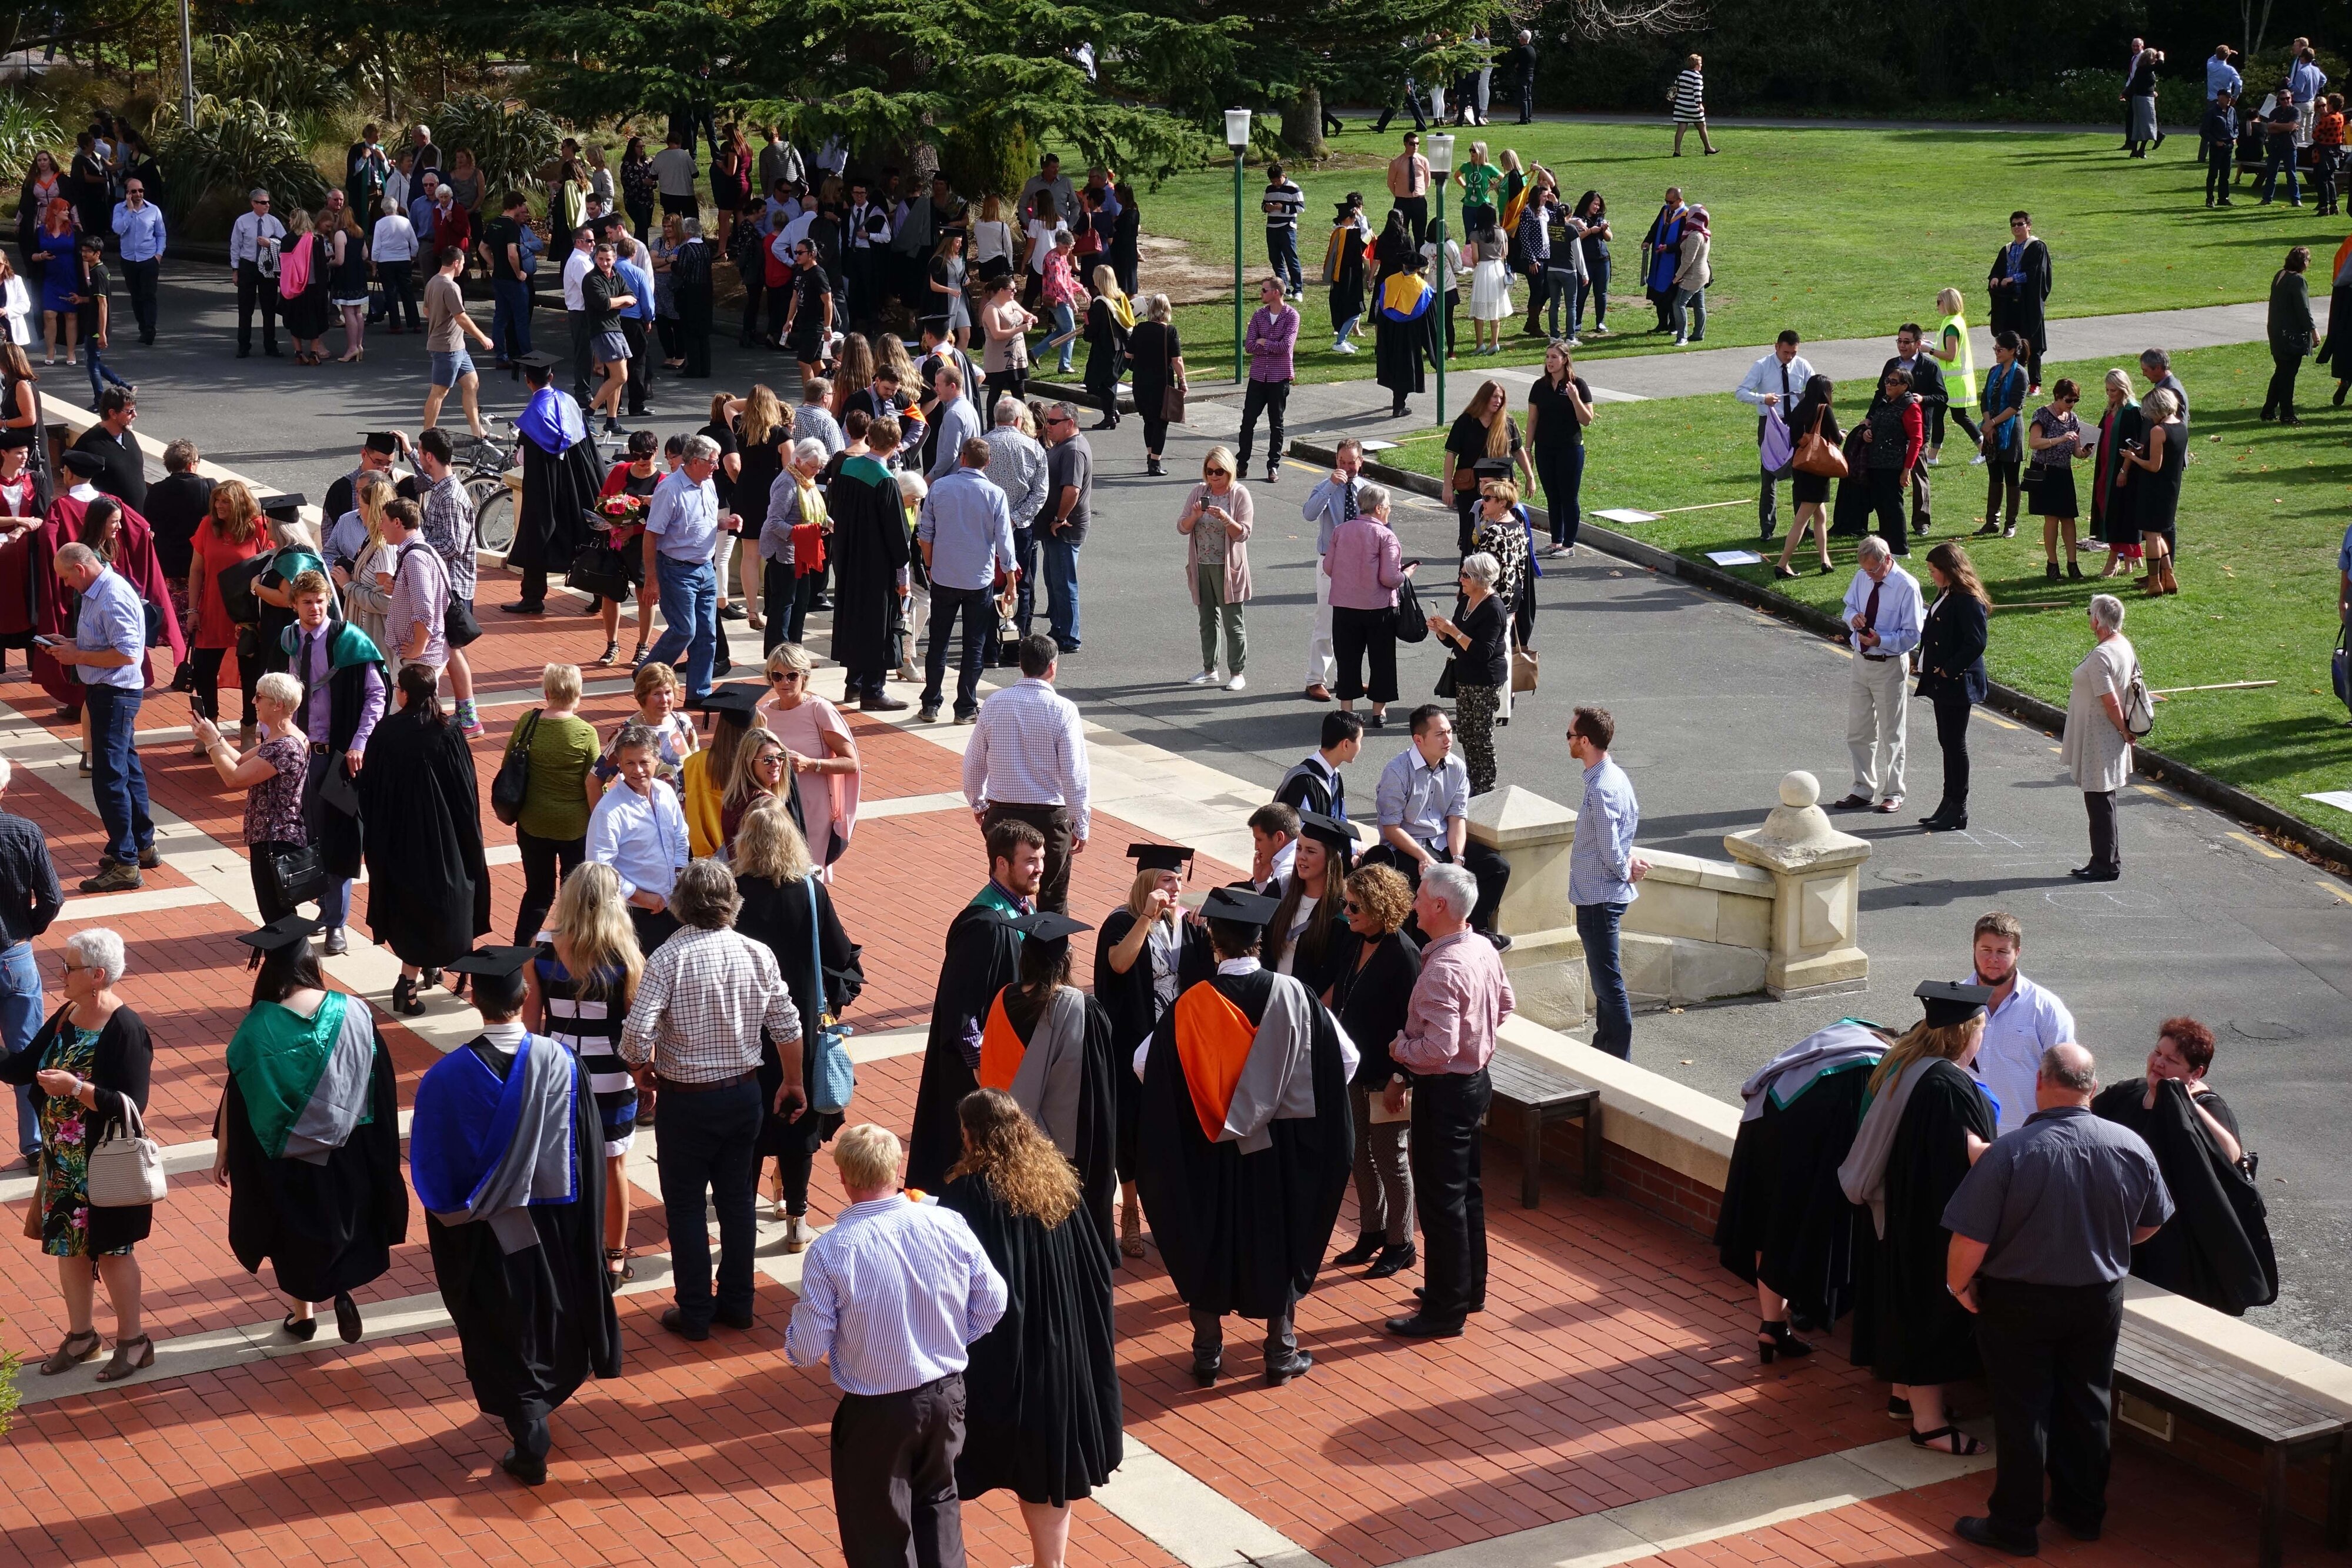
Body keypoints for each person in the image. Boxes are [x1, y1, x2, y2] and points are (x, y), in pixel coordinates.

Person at [1944, 1043, 2174, 1556]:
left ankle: (2014, 1524)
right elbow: (2153, 1220)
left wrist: (1958, 1287)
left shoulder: (2011, 1152)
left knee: (2023, 1410)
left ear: (2040, 1083)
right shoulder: (2129, 1146)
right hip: (2098, 1298)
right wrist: (2109, 1241)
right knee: (2088, 1402)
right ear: (2091, 1088)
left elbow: (1968, 1240)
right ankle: (2082, 1512)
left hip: (2019, 1301)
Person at [412, 945, 620, 1486]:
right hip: (555, 1225)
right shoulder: (562, 1064)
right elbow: (589, 1156)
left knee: (501, 1322)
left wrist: (464, 1213)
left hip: (484, 1232)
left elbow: (433, 1169)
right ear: (525, 996)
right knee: (547, 1316)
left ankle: (529, 1427)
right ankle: (536, 1412)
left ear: (475, 1002)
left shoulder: (444, 1078)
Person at [1134, 886, 1355, 1385]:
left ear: (1214, 941)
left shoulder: (1192, 1007)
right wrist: (1285, 1097)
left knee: (1207, 1240)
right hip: (1278, 1154)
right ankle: (1280, 1352)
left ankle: (1207, 1354)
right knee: (1280, 1236)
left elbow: (1143, 1064)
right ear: (1260, 941)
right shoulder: (1295, 997)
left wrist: (1208, 1092)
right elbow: (1347, 1061)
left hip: (1210, 1150)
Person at [786, 1123, 1008, 1568]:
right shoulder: (946, 1221)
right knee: (941, 1504)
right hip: (946, 1393)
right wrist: (947, 1339)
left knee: (878, 1530)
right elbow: (994, 1301)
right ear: (896, 1168)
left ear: (845, 1178)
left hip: (876, 1410)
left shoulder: (832, 1251)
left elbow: (806, 1350)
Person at [620, 858, 805, 1339]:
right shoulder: (757, 953)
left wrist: (642, 1069)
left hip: (686, 1102)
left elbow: (636, 1035)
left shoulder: (666, 957)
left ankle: (696, 1311)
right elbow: (786, 1023)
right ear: (731, 903)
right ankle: (739, 1304)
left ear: (682, 905)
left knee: (684, 1207)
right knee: (738, 1200)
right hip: (743, 1093)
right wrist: (793, 1081)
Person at [938, 1087, 1121, 1568]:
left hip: (996, 1348)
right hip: (1059, 1345)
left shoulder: (967, 1195)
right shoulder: (1059, 1185)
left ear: (973, 1134)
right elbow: (1094, 1270)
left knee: (948, 1462)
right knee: (1045, 1459)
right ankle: (1050, 1564)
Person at [216, 915, 406, 1345]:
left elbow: (240, 1093)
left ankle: (302, 1314)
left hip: (288, 1158)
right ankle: (341, 1287)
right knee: (341, 1220)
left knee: (293, 1234)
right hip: (349, 1148)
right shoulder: (354, 1012)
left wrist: (225, 1149)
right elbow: (381, 1085)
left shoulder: (256, 1029)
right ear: (311, 963)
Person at [1837, 980, 2000, 1457]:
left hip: (1895, 1212)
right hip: (1930, 1223)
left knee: (1902, 1304)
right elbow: (1966, 1166)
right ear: (1964, 1032)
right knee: (1928, 1312)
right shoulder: (1948, 1086)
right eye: (1981, 1031)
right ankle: (1928, 1425)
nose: (1981, 1041)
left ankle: (1903, 1396)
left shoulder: (1907, 1065)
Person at [0, 926, 155, 1380]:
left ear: (97, 975)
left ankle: (134, 1341)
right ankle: (83, 1336)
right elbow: (24, 1066)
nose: (60, 974)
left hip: (102, 1163)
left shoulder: (126, 1028)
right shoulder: (69, 1013)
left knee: (112, 1253)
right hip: (64, 1163)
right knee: (69, 1248)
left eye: (68, 967)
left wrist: (76, 1089)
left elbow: (132, 1106)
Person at [1383, 858, 1514, 1340]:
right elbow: (1504, 1006)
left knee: (1441, 1202)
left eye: (1419, 896)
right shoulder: (1480, 946)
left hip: (1446, 1090)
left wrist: (1400, 1048)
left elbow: (1435, 1050)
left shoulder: (1443, 968)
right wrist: (1473, 1043)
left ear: (1438, 906)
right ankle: (1466, 1287)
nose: (1413, 903)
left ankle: (1444, 1309)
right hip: (1475, 1083)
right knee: (1467, 1193)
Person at [1718, 1017, 1886, 1362]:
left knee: (1766, 1230)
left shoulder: (1838, 1037)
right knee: (1804, 1229)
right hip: (1802, 1144)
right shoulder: (1874, 1065)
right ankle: (1801, 1308)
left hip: (1761, 1130)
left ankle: (1772, 1325)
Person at [2091, 1019, 2276, 1315]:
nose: (2158, 1063)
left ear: (2196, 1073)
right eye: (2158, 1053)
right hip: (2121, 1226)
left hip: (2172, 1238)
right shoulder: (2128, 1092)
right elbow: (2082, 1117)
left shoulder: (2208, 1106)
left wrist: (2186, 1101)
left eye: (2172, 1061)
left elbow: (2230, 1153)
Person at [972, 908, 1120, 1249]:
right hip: (1060, 1149)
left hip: (1006, 1133)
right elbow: (1095, 1090)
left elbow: (989, 1064)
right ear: (1066, 961)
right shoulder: (1081, 1009)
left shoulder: (1001, 999)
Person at [360, 664, 492, 1014]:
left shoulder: (387, 733)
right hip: (448, 838)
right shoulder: (448, 731)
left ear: (404, 693)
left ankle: (409, 980)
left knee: (409, 906)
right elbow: (466, 792)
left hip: (400, 840)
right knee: (451, 899)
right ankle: (436, 968)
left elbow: (370, 792)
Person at [50, 542, 155, 893]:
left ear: (80, 569)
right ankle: (142, 845)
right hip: (111, 694)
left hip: (115, 694)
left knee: (109, 778)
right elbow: (104, 641)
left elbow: (126, 654)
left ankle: (126, 864)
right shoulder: (101, 591)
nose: (66, 584)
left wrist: (76, 654)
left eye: (66, 577)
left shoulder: (110, 596)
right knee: (128, 767)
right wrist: (70, 644)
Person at [963, 635, 1089, 915]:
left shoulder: (995, 703)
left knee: (1004, 895)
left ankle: (1008, 952)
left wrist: (979, 804)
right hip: (1050, 819)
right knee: (1053, 900)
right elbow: (1074, 774)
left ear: (1021, 665)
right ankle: (1050, 959)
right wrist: (1080, 823)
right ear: (1053, 667)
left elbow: (973, 763)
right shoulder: (1064, 710)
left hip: (1002, 816)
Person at [192, 669, 316, 920]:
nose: (253, 702)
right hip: (272, 835)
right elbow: (239, 760)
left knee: (277, 914)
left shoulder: (283, 747)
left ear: (278, 705)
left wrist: (211, 744)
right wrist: (215, 735)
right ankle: (287, 958)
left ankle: (292, 958)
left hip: (275, 838)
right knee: (278, 911)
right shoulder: (285, 737)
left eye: (259, 697)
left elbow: (233, 778)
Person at [916, 436, 1017, 726]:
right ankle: (965, 707)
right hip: (978, 579)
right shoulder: (996, 494)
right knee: (974, 644)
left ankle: (931, 703)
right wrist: (1010, 580)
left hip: (945, 576)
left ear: (962, 458)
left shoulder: (940, 487)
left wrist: (931, 564)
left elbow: (926, 533)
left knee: (938, 642)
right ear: (988, 463)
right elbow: (1004, 542)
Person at [502, 663, 602, 944]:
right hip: (575, 828)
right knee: (576, 895)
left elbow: (508, 763)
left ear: (546, 692)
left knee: (537, 892)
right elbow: (593, 783)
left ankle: (519, 954)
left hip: (532, 823)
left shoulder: (527, 722)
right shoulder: (585, 733)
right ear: (579, 693)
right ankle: (574, 951)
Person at [502, 352, 604, 617]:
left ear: (528, 381)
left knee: (538, 535)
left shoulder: (532, 415)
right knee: (587, 533)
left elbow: (523, 458)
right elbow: (586, 443)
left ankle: (533, 598)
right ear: (551, 377)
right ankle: (601, 592)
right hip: (579, 480)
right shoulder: (569, 401)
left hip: (547, 486)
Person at [1830, 535, 1921, 816]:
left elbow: (1913, 635)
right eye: (1866, 570)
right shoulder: (1861, 577)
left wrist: (1881, 640)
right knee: (1859, 730)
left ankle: (1894, 792)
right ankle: (1862, 788)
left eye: (1874, 570)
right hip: (1860, 661)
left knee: (1892, 732)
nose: (1869, 575)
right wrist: (1853, 617)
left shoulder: (1907, 586)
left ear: (1888, 560)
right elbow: (1848, 607)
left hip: (1889, 665)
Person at [827, 415, 913, 712]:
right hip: (876, 565)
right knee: (877, 625)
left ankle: (854, 684)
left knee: (853, 618)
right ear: (895, 444)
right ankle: (874, 690)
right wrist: (903, 572)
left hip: (849, 557)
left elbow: (834, 507)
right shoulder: (885, 480)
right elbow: (897, 534)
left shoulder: (847, 467)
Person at [755, 642, 862, 872]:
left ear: (804, 677)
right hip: (775, 807)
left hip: (814, 809)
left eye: (792, 676)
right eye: (777, 675)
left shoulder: (819, 710)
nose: (784, 682)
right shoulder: (763, 714)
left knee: (808, 874)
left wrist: (811, 764)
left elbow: (851, 763)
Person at [1913, 542, 1991, 832]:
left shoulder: (1967, 599)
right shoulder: (1947, 593)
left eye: (1934, 571)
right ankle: (1948, 803)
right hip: (1941, 680)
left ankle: (1958, 806)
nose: (1931, 576)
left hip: (1957, 682)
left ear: (1949, 570)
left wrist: (1948, 668)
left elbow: (1976, 642)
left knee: (1955, 743)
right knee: (1946, 741)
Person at [2064, 595, 2139, 882]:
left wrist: (2123, 729)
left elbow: (2110, 701)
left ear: (2097, 620)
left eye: (2089, 613)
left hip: (2100, 734)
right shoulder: (2122, 645)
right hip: (2107, 733)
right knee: (2103, 799)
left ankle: (2105, 864)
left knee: (2099, 801)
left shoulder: (2101, 656)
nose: (2088, 618)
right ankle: (2105, 859)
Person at [414, 430, 483, 735]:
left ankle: (468, 716)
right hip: (450, 583)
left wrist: (419, 546)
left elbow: (453, 543)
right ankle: (465, 714)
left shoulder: (451, 497)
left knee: (451, 649)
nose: (418, 457)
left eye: (419, 452)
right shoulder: (443, 487)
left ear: (430, 456)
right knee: (454, 649)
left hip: (453, 585)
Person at [1327, 479, 1409, 729]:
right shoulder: (1386, 536)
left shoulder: (1340, 531)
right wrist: (1407, 575)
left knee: (1347, 658)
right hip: (1378, 608)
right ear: (1380, 508)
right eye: (1389, 506)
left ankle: (1347, 710)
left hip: (1344, 606)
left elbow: (1328, 567)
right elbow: (1389, 578)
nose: (1390, 510)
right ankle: (1378, 712)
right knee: (1381, 659)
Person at [1427, 552, 1509, 794]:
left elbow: (1484, 651)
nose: (1460, 579)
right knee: (1466, 733)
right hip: (1464, 675)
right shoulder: (1465, 601)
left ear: (1480, 579)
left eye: (1465, 575)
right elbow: (1454, 642)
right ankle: (1474, 783)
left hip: (1486, 679)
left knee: (1481, 736)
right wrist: (1442, 632)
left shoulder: (1494, 608)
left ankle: (1487, 788)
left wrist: (1454, 632)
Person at [1178, 446, 1254, 692]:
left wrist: (1226, 519)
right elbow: (1182, 527)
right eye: (1209, 471)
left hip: (1228, 568)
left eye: (1219, 471)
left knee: (1233, 622)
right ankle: (1210, 669)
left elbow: (1243, 534)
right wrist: (1195, 515)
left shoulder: (1239, 494)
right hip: (1202, 565)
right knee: (1207, 621)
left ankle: (1237, 672)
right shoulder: (1199, 492)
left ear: (1229, 470)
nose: (1214, 476)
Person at [1737, 332, 1815, 541]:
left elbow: (1817, 389)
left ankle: (1803, 526)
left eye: (1793, 353)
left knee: (1801, 475)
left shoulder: (1803, 365)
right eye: (1786, 352)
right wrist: (1763, 398)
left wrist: (1808, 398)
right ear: (1776, 347)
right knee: (1769, 476)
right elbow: (1741, 392)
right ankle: (1767, 529)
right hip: (1771, 425)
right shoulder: (1762, 366)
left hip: (1796, 425)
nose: (1789, 357)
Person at [1526, 341, 1593, 555]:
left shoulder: (1578, 385)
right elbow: (1532, 420)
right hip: (1545, 449)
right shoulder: (1539, 386)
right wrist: (1527, 450)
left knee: (1568, 496)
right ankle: (1555, 541)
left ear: (1565, 360)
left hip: (1569, 449)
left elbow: (1587, 419)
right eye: (1547, 357)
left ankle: (1569, 545)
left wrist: (1575, 399)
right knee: (1552, 496)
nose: (1549, 361)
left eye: (1554, 357)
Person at [2027, 379, 2096, 578]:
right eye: (2068, 400)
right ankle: (2052, 564)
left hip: (2064, 472)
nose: (2072, 404)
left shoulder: (2072, 418)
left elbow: (2076, 451)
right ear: (2057, 397)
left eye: (2076, 400)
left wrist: (2084, 452)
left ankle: (2073, 564)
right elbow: (2034, 443)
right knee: (2051, 519)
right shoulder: (2042, 415)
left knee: (2069, 519)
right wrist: (2061, 439)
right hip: (2046, 471)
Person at [1037, 401, 1092, 653]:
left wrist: (1060, 518)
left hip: (1065, 528)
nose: (1048, 426)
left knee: (1064, 582)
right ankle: (1059, 628)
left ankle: (1070, 636)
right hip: (1055, 528)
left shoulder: (1073, 450)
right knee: (1054, 580)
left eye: (1053, 422)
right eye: (1048, 421)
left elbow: (1072, 490)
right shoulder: (1063, 446)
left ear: (1070, 424)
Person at [422, 247, 494, 439]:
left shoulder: (433, 282)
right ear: (456, 263)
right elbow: (461, 317)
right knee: (439, 392)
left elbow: (427, 311)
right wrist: (482, 338)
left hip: (457, 347)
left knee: (472, 384)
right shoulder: (450, 287)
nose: (463, 267)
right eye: (463, 263)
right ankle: (427, 437)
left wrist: (440, 319)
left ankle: (477, 431)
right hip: (447, 348)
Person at [1238, 278, 1297, 486]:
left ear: (1276, 293)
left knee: (1276, 424)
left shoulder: (1292, 316)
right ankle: (1242, 462)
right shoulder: (1259, 315)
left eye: (1264, 290)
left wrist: (1265, 342)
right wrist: (1269, 344)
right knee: (1247, 422)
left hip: (1278, 378)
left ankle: (1273, 465)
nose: (1261, 293)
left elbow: (1286, 347)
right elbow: (1250, 346)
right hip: (1258, 377)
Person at [1987, 214, 2052, 393]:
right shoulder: (2007, 249)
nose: (2017, 227)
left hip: (2028, 305)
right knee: (2009, 343)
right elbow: (1998, 269)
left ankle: (2034, 384)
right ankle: (2009, 380)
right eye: (2013, 225)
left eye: (2020, 224)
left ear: (2029, 226)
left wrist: (2013, 279)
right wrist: (1995, 278)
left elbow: (2037, 273)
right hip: (2009, 305)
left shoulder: (2037, 247)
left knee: (2032, 344)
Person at [1127, 293, 1185, 475]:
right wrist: (1182, 381)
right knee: (1161, 423)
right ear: (1167, 310)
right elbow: (1177, 360)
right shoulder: (1170, 332)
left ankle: (1150, 456)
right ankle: (1155, 464)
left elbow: (1128, 356)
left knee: (1148, 421)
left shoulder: (1139, 329)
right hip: (1162, 383)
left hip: (1141, 383)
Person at [229, 188, 285, 358]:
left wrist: (271, 243)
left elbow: (285, 242)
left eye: (268, 202)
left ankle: (270, 345)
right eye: (263, 202)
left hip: (267, 267)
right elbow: (235, 246)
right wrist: (235, 270)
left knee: (269, 308)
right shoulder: (242, 221)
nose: (267, 205)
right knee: (246, 308)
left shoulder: (274, 222)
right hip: (249, 266)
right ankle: (243, 345)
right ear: (254, 204)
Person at [109, 172, 163, 346]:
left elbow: (161, 234)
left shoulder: (153, 210)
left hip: (149, 258)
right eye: (134, 191)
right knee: (136, 296)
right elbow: (118, 229)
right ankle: (142, 326)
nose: (138, 194)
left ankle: (150, 329)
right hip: (129, 259)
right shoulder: (120, 209)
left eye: (140, 191)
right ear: (127, 193)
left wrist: (158, 254)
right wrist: (130, 211)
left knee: (149, 295)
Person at [2265, 245, 2316, 425]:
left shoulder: (2280, 275)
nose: (2309, 263)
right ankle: (2287, 414)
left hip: (2277, 332)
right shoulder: (2298, 281)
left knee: (2281, 372)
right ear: (2303, 263)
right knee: (2288, 375)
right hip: (2290, 336)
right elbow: (2303, 309)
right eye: (2308, 260)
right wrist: (2313, 331)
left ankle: (2268, 410)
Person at [1670, 54, 1716, 155]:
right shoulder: (1697, 77)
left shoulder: (1682, 74)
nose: (1701, 65)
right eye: (1700, 63)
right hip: (1692, 106)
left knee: (1681, 128)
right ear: (1696, 65)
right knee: (1702, 126)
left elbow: (1676, 86)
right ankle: (1708, 148)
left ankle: (1677, 151)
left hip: (1680, 105)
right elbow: (1697, 92)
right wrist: (1700, 105)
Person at [2204, 89, 2241, 206]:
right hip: (2217, 147)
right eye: (2227, 98)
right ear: (2220, 98)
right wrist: (2216, 142)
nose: (2230, 100)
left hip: (2229, 146)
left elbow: (2236, 126)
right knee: (2213, 174)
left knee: (2225, 174)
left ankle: (2223, 198)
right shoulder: (2212, 113)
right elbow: (2204, 132)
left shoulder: (2232, 111)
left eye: (2230, 98)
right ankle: (2210, 199)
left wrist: (2235, 137)